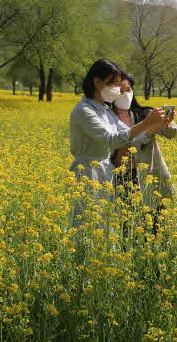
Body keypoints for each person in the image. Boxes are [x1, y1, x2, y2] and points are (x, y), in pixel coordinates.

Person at [68, 59, 167, 236]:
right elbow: (111, 139)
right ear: (97, 82)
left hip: (106, 170)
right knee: (87, 224)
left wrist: (156, 125)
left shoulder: (105, 111)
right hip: (88, 172)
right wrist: (147, 122)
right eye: (113, 84)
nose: (118, 89)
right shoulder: (84, 111)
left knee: (106, 224)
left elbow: (130, 137)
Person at [110, 72, 177, 236]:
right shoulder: (106, 119)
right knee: (127, 229)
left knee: (156, 228)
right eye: (121, 90)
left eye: (129, 89)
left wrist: (166, 122)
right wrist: (149, 129)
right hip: (121, 177)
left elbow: (172, 133)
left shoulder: (145, 113)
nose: (126, 94)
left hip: (149, 176)